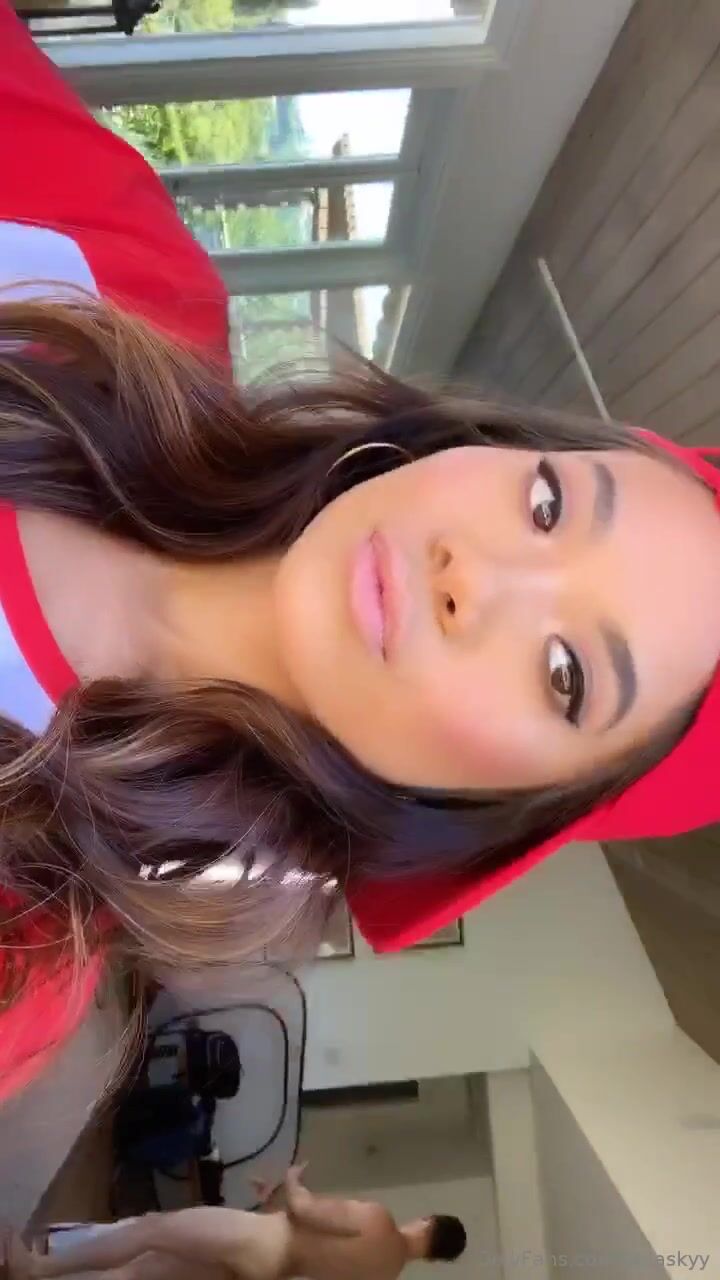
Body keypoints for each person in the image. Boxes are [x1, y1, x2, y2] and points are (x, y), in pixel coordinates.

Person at [3, 0, 720, 1103]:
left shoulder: (24, 946)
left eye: (565, 672)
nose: (477, 578)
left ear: (490, 810)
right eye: (546, 503)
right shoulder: (124, 276)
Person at [4, 1166, 468, 1280]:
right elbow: (315, 1254)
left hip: (261, 1240)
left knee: (151, 1229)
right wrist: (274, 1201)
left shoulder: (380, 1221)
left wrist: (293, 1179)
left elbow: (305, 1212)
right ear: (434, 1258)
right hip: (269, 1270)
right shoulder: (384, 1274)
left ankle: (37, 1268)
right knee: (143, 1271)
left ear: (426, 1221)